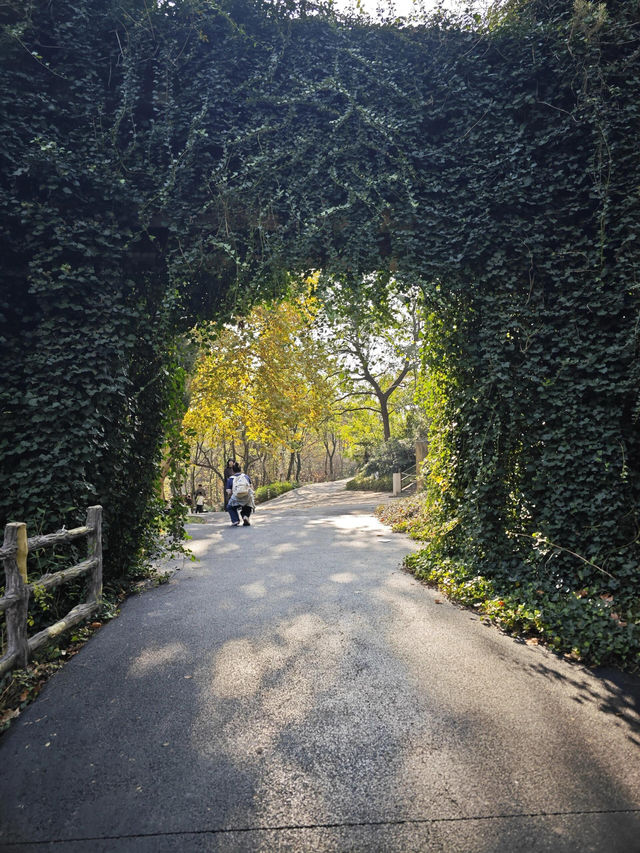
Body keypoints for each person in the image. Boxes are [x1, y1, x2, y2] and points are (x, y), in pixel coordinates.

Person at [226, 462, 254, 527]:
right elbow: (251, 488)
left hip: (236, 497)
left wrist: (231, 496)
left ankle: (235, 520)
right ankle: (245, 516)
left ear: (232, 470)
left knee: (229, 507)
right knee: (248, 504)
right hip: (246, 497)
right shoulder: (246, 476)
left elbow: (229, 492)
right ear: (240, 469)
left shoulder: (230, 479)